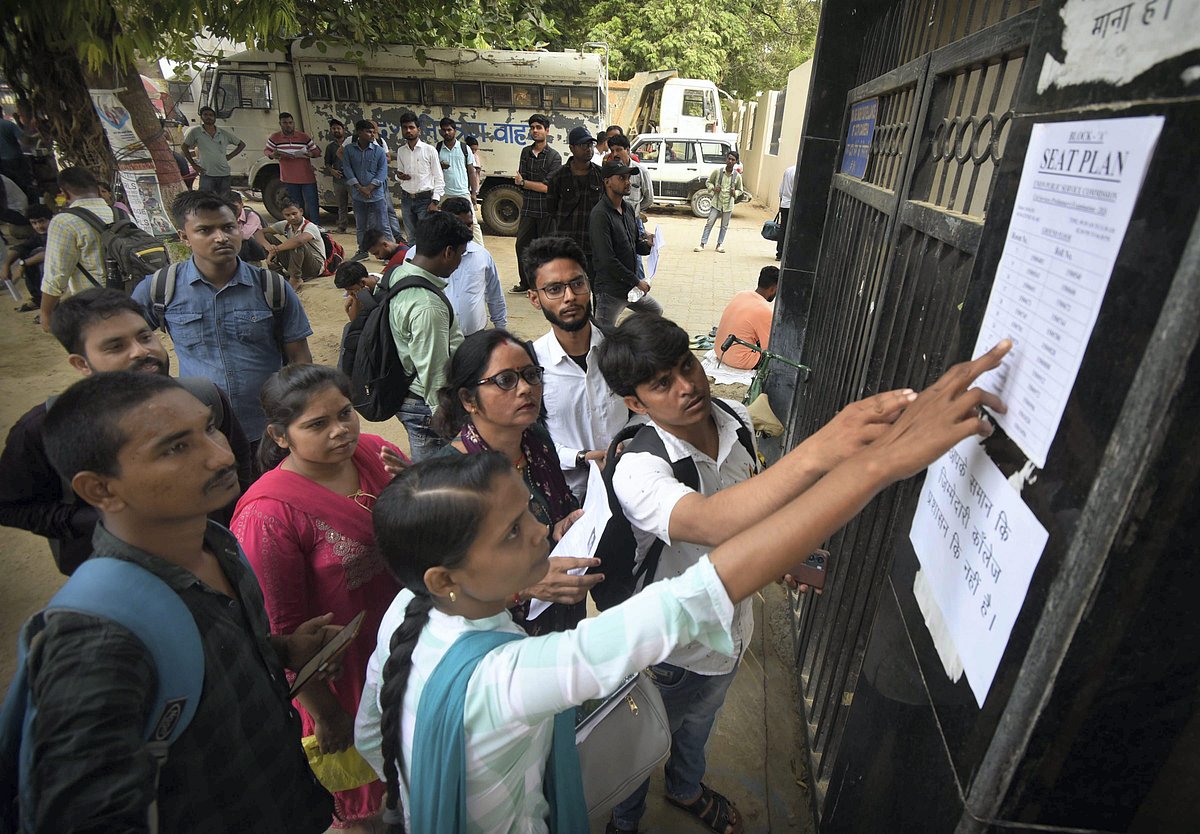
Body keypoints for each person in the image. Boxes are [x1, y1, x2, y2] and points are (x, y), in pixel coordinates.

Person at [351, 337, 1010, 832]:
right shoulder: (509, 678)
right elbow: (695, 592)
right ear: (447, 577)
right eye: (511, 532)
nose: (542, 530)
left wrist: (445, 783)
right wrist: (879, 461)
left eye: (527, 510)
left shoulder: (411, 612)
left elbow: (373, 738)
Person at [31, 371, 339, 832]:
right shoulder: (95, 639)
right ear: (100, 489)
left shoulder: (219, 543)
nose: (220, 455)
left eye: (210, 428)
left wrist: (282, 651)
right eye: (175, 447)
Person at [232, 365, 408, 832]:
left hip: (405, 651)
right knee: (370, 812)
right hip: (342, 682)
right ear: (280, 435)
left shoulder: (377, 453)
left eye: (346, 413)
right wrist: (326, 713)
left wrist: (417, 488)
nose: (341, 430)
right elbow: (281, 631)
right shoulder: (268, 515)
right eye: (317, 424)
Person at [0, 287, 253, 575]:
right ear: (81, 363)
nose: (141, 351)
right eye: (115, 346)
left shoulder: (204, 397)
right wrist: (100, 518)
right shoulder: (44, 428)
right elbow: (11, 505)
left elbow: (241, 461)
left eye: (145, 336)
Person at [431, 329, 600, 635]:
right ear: (469, 399)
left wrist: (557, 529)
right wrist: (523, 589)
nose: (526, 389)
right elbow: (443, 593)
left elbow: (553, 509)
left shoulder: (536, 440)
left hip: (560, 623)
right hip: (498, 643)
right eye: (506, 380)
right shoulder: (448, 478)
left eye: (531, 375)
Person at [132, 190, 313, 444]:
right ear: (184, 237)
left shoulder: (272, 288)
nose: (221, 238)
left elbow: (299, 357)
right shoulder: (160, 288)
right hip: (201, 433)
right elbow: (128, 349)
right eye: (205, 230)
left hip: (270, 431)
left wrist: (301, 416)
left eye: (228, 227)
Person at [525, 236, 629, 501]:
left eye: (577, 284)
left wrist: (630, 444)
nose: (569, 297)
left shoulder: (620, 349)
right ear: (534, 299)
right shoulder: (531, 366)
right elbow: (532, 441)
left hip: (630, 484)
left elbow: (646, 409)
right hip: (571, 498)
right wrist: (580, 458)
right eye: (554, 289)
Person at [387, 211, 470, 461]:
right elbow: (433, 367)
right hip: (425, 405)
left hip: (410, 396)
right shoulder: (427, 306)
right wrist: (443, 415)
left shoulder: (400, 274)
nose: (459, 263)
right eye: (460, 255)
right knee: (433, 481)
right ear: (447, 252)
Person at [412, 196, 506, 336]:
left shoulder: (482, 255)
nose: (467, 230)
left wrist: (501, 329)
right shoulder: (416, 256)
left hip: (474, 337)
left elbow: (495, 295)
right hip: (435, 338)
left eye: (469, 224)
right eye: (460, 225)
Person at [39, 167, 112, 331]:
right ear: (97, 189)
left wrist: (46, 313)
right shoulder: (119, 213)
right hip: (130, 299)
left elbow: (56, 275)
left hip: (95, 305)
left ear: (64, 193)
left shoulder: (64, 222)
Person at [589, 160, 661, 326]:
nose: (628, 182)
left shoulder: (628, 209)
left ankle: (634, 344)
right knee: (602, 337)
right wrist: (637, 281)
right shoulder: (600, 215)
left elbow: (635, 245)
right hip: (610, 291)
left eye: (628, 177)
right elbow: (607, 260)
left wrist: (649, 245)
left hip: (630, 288)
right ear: (607, 182)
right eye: (622, 178)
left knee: (655, 312)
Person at [512, 114, 562, 293]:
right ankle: (527, 283)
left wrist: (525, 183)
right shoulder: (525, 152)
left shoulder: (554, 157)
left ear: (547, 131)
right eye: (532, 127)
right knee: (522, 246)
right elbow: (522, 178)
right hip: (528, 208)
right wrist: (529, 184)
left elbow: (547, 188)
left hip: (546, 211)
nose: (535, 130)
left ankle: (546, 284)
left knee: (546, 249)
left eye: (539, 127)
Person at [547, 126, 603, 278]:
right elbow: (551, 210)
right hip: (567, 248)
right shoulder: (558, 177)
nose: (588, 149)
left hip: (594, 246)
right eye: (583, 145)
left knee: (597, 291)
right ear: (572, 148)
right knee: (572, 293)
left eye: (590, 145)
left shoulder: (601, 175)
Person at [343, 119, 394, 258]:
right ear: (359, 132)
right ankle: (363, 251)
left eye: (373, 132)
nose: (372, 135)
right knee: (361, 226)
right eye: (368, 132)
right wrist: (359, 187)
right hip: (358, 195)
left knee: (383, 224)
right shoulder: (349, 150)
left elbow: (382, 171)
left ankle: (390, 252)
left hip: (376, 195)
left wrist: (370, 188)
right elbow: (347, 168)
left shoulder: (378, 151)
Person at [713, 266, 779, 370]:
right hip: (739, 360)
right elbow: (769, 349)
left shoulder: (740, 294)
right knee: (775, 358)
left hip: (719, 351)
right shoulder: (765, 310)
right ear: (773, 289)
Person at [394, 111, 443, 246]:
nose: (408, 131)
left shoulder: (429, 150)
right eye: (405, 128)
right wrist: (400, 176)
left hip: (425, 200)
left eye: (411, 127)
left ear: (418, 130)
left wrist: (435, 201)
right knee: (411, 237)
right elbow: (399, 174)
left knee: (426, 236)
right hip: (406, 199)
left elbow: (439, 177)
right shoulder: (401, 151)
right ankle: (413, 264)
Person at [258, 198, 327, 289]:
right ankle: (277, 273)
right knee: (267, 236)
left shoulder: (310, 227)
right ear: (283, 215)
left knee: (297, 245)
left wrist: (276, 249)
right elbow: (258, 233)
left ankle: (295, 279)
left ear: (301, 211)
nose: (292, 217)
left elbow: (299, 241)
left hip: (314, 267)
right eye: (287, 215)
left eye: (294, 214)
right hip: (295, 262)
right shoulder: (285, 225)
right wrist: (268, 247)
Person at [266, 112, 321, 222]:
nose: (288, 125)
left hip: (306, 177)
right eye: (285, 123)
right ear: (280, 124)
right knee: (296, 203)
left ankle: (315, 225)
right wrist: (272, 155)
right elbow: (267, 150)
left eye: (290, 123)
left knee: (312, 202)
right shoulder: (275, 138)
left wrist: (310, 154)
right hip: (289, 177)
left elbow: (316, 151)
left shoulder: (303, 137)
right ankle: (301, 225)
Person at [436, 118, 482, 245]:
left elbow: (471, 171)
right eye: (444, 130)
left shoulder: (464, 148)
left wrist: (473, 192)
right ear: (440, 132)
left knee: (472, 222)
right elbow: (434, 170)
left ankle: (480, 249)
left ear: (455, 131)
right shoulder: (438, 148)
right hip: (445, 193)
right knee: (446, 222)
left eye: (449, 130)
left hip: (462, 191)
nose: (446, 133)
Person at [182, 105, 245, 197]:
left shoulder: (223, 133)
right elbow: (184, 147)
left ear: (215, 118)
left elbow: (241, 144)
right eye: (205, 114)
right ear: (201, 117)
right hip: (207, 174)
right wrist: (194, 165)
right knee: (205, 200)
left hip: (224, 174)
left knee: (224, 201)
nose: (208, 117)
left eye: (211, 115)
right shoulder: (195, 132)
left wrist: (229, 156)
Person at [334, 261, 381, 376]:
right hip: (369, 325)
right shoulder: (358, 287)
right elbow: (354, 321)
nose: (348, 292)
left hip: (381, 328)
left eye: (350, 289)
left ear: (363, 282)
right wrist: (356, 300)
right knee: (349, 328)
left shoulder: (383, 285)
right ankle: (343, 373)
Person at [2, 202, 49, 311]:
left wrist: (24, 263)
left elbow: (49, 253)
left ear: (50, 219)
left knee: (38, 260)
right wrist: (6, 265)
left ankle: (51, 308)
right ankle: (39, 299)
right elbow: (22, 247)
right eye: (34, 223)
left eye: (41, 221)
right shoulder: (39, 234)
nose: (38, 226)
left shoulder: (57, 230)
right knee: (27, 254)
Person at [694, 151, 744, 254]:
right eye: (729, 159)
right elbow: (708, 182)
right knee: (709, 223)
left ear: (736, 162)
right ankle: (702, 244)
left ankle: (719, 245)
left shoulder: (737, 176)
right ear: (726, 159)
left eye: (733, 160)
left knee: (724, 226)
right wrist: (713, 188)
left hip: (728, 204)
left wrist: (735, 193)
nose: (730, 161)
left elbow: (740, 190)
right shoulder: (718, 172)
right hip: (716, 202)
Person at [0, 106, 35, 199]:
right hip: (15, 161)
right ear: (1, 112)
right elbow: (26, 141)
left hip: (2, 165)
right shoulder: (8, 125)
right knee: (24, 186)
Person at [324, 119, 350, 234]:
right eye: (334, 129)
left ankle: (362, 225)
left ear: (343, 130)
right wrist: (333, 171)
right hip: (338, 180)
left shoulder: (350, 144)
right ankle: (342, 226)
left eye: (338, 128)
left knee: (357, 203)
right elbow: (327, 163)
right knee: (341, 205)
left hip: (351, 179)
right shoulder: (330, 147)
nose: (336, 131)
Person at [232, 190, 269, 263]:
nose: (232, 209)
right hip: (235, 247)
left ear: (242, 204)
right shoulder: (225, 216)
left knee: (245, 241)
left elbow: (244, 236)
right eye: (229, 206)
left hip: (257, 249)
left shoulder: (251, 216)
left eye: (235, 206)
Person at [777, 164, 795, 261]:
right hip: (794, 206)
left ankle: (779, 253)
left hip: (785, 204)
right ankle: (788, 254)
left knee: (783, 229)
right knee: (792, 230)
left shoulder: (788, 170)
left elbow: (781, 190)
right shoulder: (801, 172)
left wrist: (780, 205)